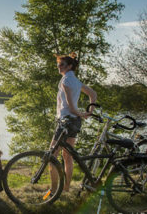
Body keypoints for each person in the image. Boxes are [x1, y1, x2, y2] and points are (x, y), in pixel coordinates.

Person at [49, 52, 97, 194]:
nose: (59, 67)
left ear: (69, 66)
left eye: (62, 64)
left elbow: (70, 107)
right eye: (58, 64)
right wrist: (90, 111)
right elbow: (93, 94)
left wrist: (83, 113)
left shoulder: (65, 81)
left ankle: (53, 190)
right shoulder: (76, 81)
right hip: (75, 122)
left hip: (66, 122)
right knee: (67, 156)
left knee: (52, 156)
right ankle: (66, 188)